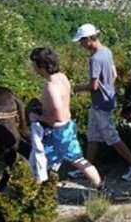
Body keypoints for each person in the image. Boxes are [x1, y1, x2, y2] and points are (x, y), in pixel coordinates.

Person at [70, 23, 131, 182]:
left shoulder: (95, 58)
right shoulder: (107, 51)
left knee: (112, 137)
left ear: (89, 39)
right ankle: (87, 169)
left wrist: (76, 88)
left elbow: (93, 85)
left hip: (100, 104)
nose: (81, 45)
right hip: (106, 100)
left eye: (82, 41)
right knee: (93, 136)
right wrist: (108, 87)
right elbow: (114, 74)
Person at [27, 47, 104, 189]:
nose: (33, 67)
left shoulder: (51, 86)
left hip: (56, 132)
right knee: (78, 160)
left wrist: (38, 117)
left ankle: (36, 200)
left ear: (41, 65)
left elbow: (58, 115)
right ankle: (101, 188)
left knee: (40, 163)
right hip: (68, 127)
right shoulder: (62, 77)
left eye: (34, 64)